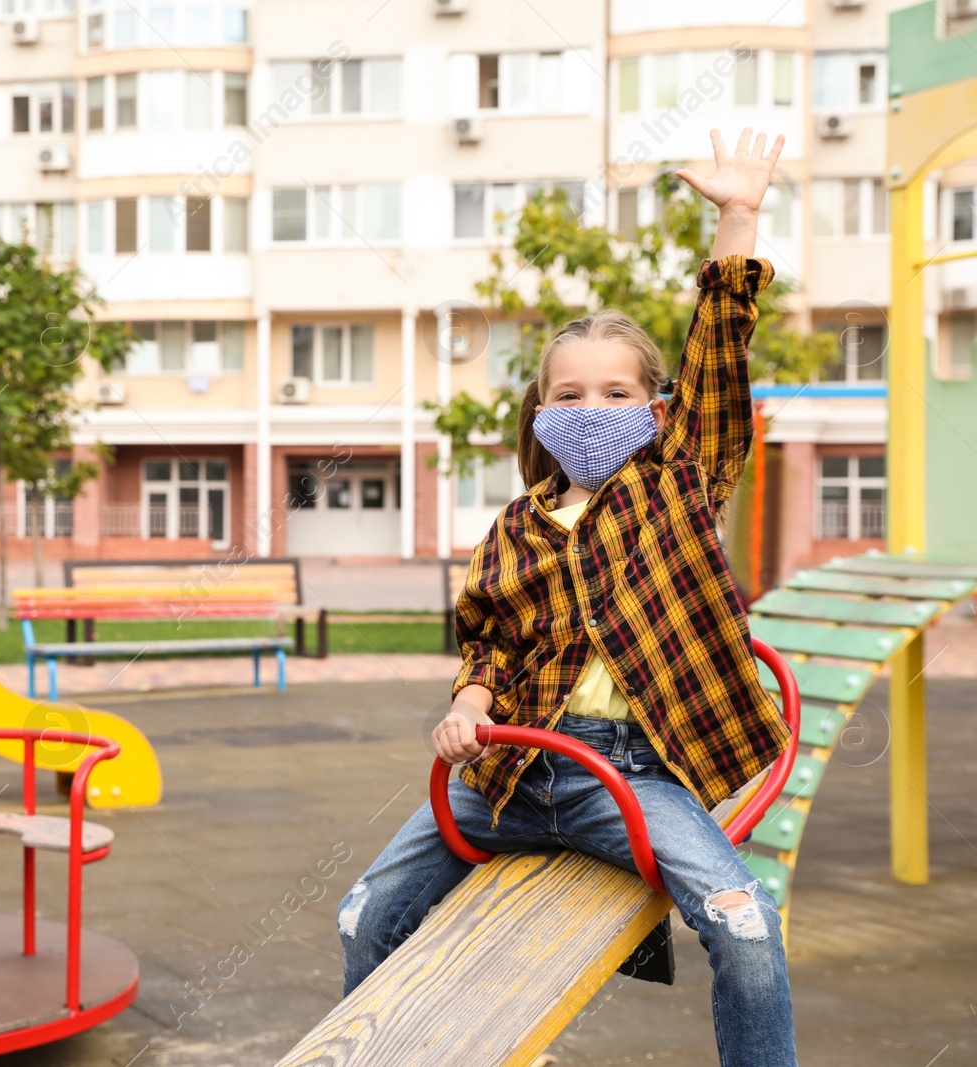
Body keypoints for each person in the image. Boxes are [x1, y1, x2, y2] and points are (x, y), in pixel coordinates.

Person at [336, 128, 798, 1066]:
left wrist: (737, 218)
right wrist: (468, 706)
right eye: (572, 394)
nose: (592, 411)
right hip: (510, 773)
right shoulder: (515, 526)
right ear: (541, 412)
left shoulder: (678, 485)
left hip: (632, 774)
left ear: (656, 407)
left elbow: (718, 359)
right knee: (364, 914)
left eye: (617, 392)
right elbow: (487, 649)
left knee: (748, 928)